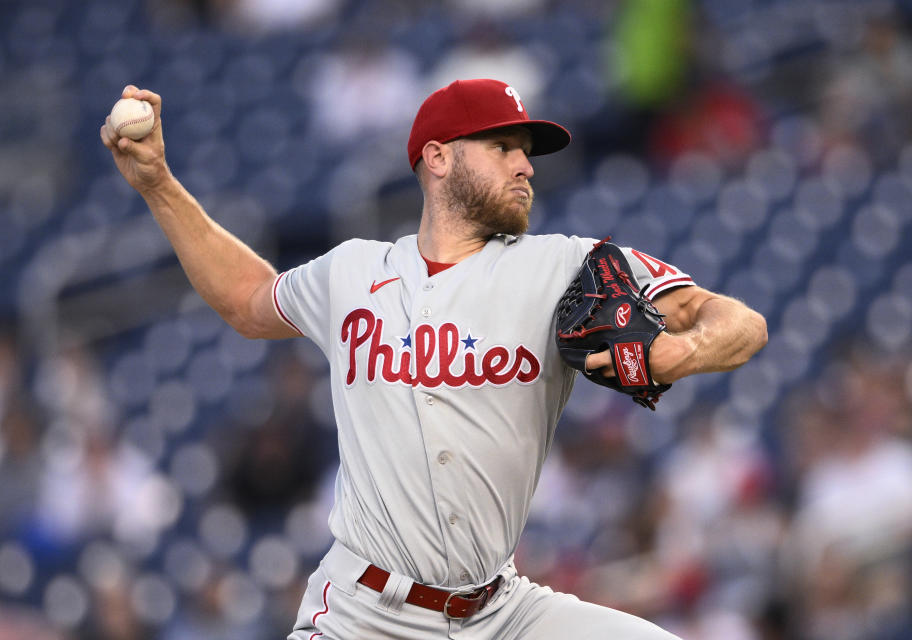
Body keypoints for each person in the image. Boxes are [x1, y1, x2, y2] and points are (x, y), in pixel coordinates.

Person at [101, 78, 767, 640]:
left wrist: (684, 351)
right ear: (439, 158)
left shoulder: (567, 265)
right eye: (503, 146)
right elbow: (247, 302)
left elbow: (741, 321)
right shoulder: (353, 271)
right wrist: (159, 185)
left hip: (502, 613)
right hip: (362, 615)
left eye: (527, 152)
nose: (525, 165)